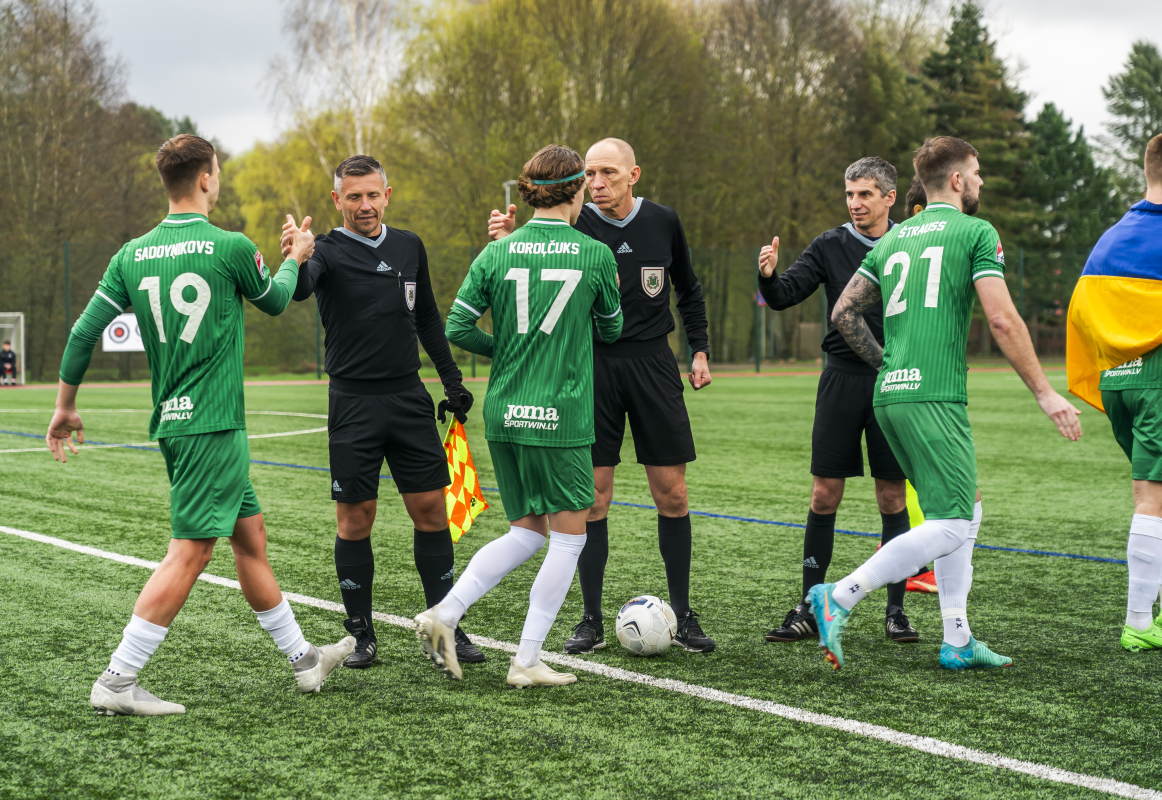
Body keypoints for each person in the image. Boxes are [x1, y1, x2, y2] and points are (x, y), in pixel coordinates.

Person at [46, 134, 354, 715]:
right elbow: (276, 298)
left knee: (250, 535)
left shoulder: (130, 254)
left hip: (177, 423)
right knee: (190, 552)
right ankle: (116, 681)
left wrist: (65, 405)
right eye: (218, 171)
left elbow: (84, 332)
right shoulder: (230, 246)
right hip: (212, 426)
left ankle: (304, 661)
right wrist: (297, 256)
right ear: (207, 178)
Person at [816, 135, 1082, 671]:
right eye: (976, 173)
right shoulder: (976, 232)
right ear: (957, 180)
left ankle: (957, 638)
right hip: (933, 396)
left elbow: (843, 314)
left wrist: (888, 365)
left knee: (964, 506)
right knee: (955, 523)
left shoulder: (894, 239)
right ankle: (838, 596)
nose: (980, 182)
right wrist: (1046, 392)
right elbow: (1003, 320)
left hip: (892, 394)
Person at [488, 138, 715, 655]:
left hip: (655, 364)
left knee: (672, 493)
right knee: (592, 498)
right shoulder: (574, 225)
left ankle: (681, 612)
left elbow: (689, 289)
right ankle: (589, 618)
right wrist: (506, 239)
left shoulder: (663, 220)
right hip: (589, 366)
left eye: (608, 172)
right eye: (589, 174)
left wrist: (698, 349)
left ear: (634, 174)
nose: (597, 183)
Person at [415, 144, 622, 687]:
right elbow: (613, 329)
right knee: (570, 538)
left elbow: (456, 329)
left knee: (528, 530)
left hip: (506, 411)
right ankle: (527, 660)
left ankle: (445, 613)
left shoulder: (496, 253)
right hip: (562, 411)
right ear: (577, 190)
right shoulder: (595, 255)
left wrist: (508, 349)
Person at [280, 155, 483, 670]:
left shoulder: (410, 246)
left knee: (432, 513)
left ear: (387, 194)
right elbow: (301, 290)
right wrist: (297, 257)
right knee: (355, 519)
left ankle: (445, 628)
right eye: (354, 197)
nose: (365, 206)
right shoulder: (325, 250)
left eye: (373, 195)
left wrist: (453, 380)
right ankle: (362, 633)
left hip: (408, 399)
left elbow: (429, 318)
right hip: (352, 403)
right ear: (337, 201)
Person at [757, 157, 919, 646]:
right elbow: (785, 295)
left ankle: (896, 611)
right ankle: (810, 606)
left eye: (865, 194)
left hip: (895, 381)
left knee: (891, 496)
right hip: (841, 381)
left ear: (890, 197)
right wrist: (767, 276)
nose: (855, 203)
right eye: (850, 194)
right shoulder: (829, 244)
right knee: (824, 493)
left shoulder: (911, 242)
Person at [1067, 133, 1162, 652]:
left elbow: (1081, 312)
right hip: (1157, 381)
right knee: (1151, 499)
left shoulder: (1112, 236)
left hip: (1120, 380)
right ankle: (1139, 624)